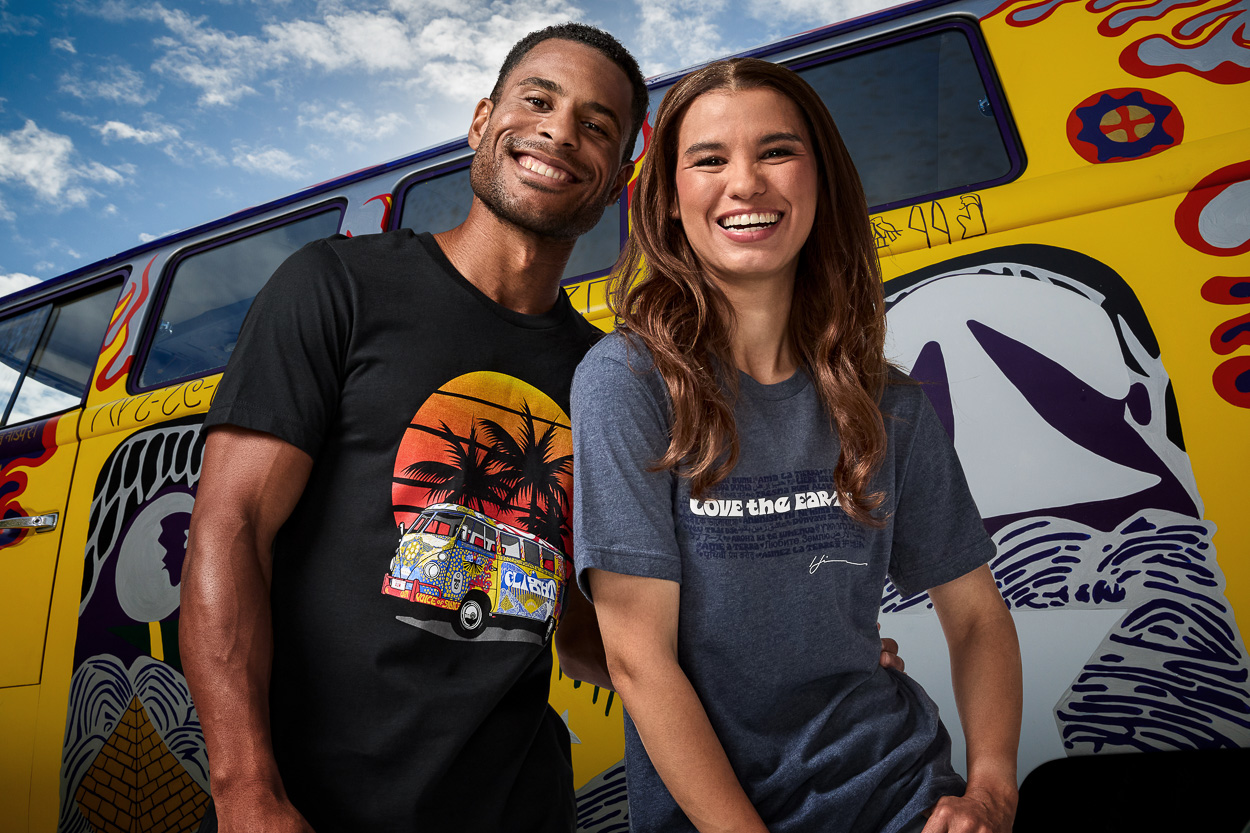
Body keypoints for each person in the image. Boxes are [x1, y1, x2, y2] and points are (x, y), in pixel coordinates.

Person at [180, 23, 647, 833]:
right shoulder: (338, 285)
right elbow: (232, 527)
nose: (560, 131)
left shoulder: (606, 376)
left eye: (597, 125)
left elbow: (580, 630)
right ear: (480, 121)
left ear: (616, 178)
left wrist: (782, 672)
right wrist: (247, 791)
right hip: (316, 807)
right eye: (539, 100)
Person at [571, 58, 1023, 833]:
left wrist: (989, 790)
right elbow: (637, 661)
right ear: (671, 202)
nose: (745, 183)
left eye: (776, 151)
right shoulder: (626, 380)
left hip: (901, 795)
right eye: (709, 159)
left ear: (820, 182)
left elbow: (977, 614)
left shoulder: (888, 403)